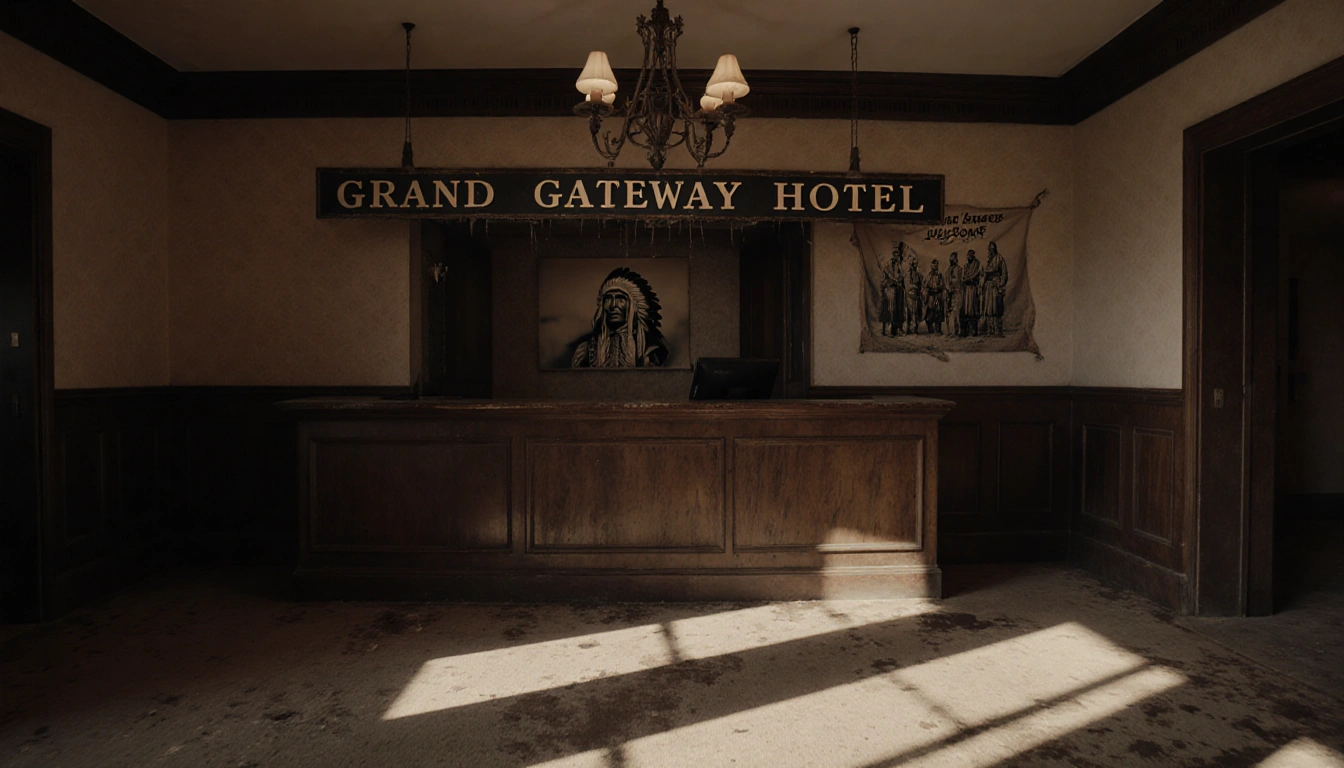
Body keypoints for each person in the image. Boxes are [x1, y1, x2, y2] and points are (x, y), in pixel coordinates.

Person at [570, 267, 669, 367]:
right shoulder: (588, 347)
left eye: (620, 299)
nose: (613, 305)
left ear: (633, 307)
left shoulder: (651, 348)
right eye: (608, 299)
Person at [879, 243, 906, 337]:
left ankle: (897, 328)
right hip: (890, 290)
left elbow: (903, 275)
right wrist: (893, 281)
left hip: (898, 290)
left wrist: (899, 278)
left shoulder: (899, 266)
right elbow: (886, 278)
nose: (897, 256)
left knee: (899, 309)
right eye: (895, 254)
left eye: (898, 254)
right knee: (890, 309)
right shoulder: (887, 266)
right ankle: (888, 329)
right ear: (893, 255)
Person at [982, 241, 1008, 337]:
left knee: (997, 308)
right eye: (989, 250)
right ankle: (990, 330)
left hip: (996, 286)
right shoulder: (988, 260)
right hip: (989, 286)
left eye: (992, 249)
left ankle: (998, 331)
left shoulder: (999, 258)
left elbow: (1004, 273)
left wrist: (1000, 284)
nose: (991, 251)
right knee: (989, 309)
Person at [960, 249, 982, 337]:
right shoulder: (966, 266)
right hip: (966, 289)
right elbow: (963, 276)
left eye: (970, 256)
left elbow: (976, 275)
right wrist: (964, 280)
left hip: (973, 289)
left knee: (973, 309)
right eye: (967, 256)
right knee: (965, 310)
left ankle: (974, 330)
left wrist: (969, 279)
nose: (968, 257)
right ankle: (966, 330)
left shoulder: (977, 264)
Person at [904, 253, 924, 334]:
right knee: (910, 312)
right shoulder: (908, 273)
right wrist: (914, 287)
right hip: (910, 295)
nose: (915, 265)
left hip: (917, 295)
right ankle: (909, 328)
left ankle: (915, 328)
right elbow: (907, 284)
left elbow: (921, 282)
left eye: (916, 264)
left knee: (916, 312)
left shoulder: (918, 273)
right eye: (914, 263)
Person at [924, 259, 945, 336]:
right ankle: (930, 328)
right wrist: (929, 289)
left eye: (936, 265)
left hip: (938, 296)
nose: (935, 267)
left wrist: (938, 288)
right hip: (931, 296)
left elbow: (943, 285)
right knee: (930, 313)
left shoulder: (940, 275)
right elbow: (925, 284)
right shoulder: (929, 275)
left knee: (938, 313)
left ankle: (938, 329)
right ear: (931, 266)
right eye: (933, 265)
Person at [944, 252, 962, 338]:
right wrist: (948, 288)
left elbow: (958, 280)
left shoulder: (959, 269)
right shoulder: (947, 270)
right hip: (949, 294)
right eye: (951, 259)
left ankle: (957, 332)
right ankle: (950, 331)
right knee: (949, 313)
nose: (952, 261)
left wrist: (952, 286)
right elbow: (946, 281)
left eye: (953, 259)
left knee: (956, 313)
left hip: (956, 294)